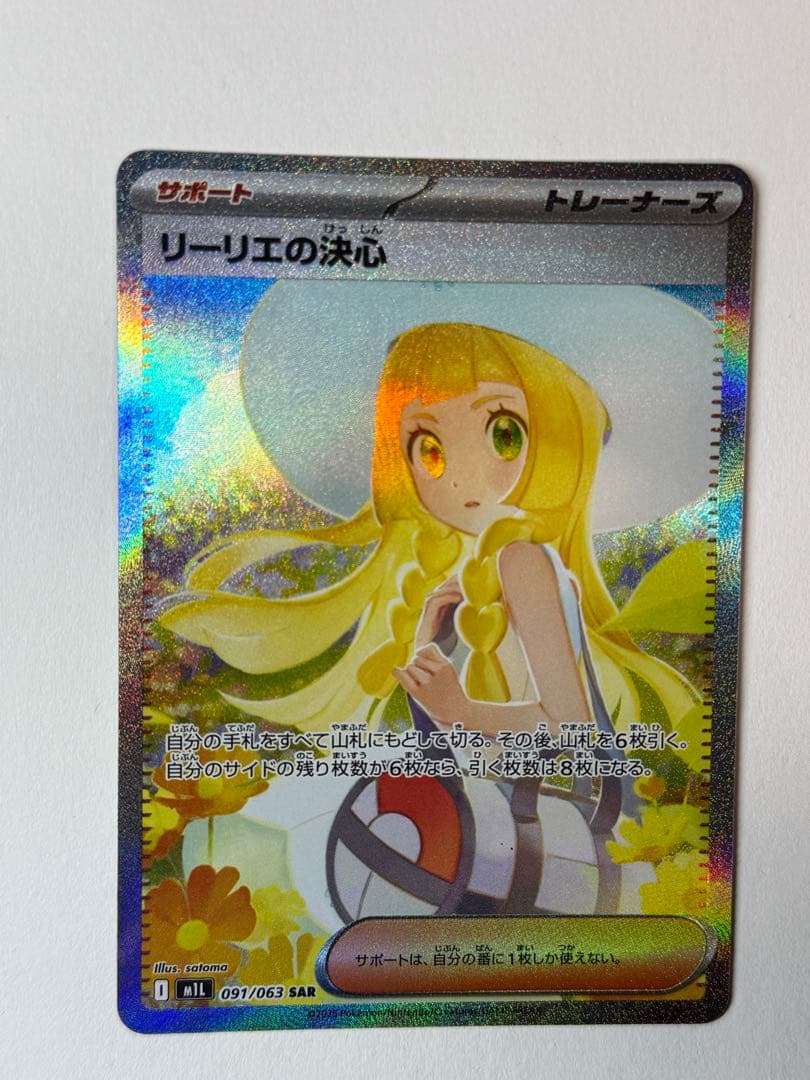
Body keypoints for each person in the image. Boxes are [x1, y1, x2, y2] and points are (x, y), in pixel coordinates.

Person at [161, 321, 698, 737]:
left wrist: (460, 709)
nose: (460, 477)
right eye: (430, 448)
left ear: (565, 434)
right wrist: (430, 648)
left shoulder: (523, 562)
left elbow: (573, 729)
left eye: (504, 434)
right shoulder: (480, 574)